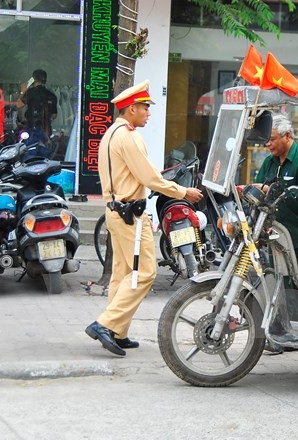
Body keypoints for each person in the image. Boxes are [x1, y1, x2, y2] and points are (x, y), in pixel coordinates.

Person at [85, 80, 203, 357]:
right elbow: (150, 178)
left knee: (123, 274)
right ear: (131, 108)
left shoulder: (111, 134)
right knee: (146, 272)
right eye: (145, 107)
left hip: (116, 210)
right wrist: (183, 192)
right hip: (129, 214)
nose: (148, 112)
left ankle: (118, 330)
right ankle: (104, 324)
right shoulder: (129, 137)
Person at [254, 113, 298, 323]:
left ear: (287, 136)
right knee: (273, 278)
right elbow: (260, 188)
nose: (268, 144)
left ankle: (293, 327)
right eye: (266, 139)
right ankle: (277, 324)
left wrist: (272, 190)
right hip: (274, 231)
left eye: (272, 139)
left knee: (290, 280)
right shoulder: (270, 162)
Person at [19, 69, 58, 138]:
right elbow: (54, 115)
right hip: (46, 128)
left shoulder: (29, 93)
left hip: (31, 126)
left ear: (34, 79)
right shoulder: (51, 95)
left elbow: (19, 105)